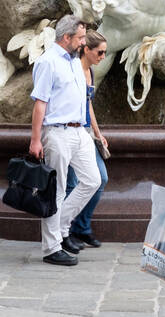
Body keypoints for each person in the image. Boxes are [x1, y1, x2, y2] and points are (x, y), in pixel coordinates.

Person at [29, 15, 101, 266]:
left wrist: (89, 131)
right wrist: (36, 139)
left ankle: (61, 226)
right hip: (56, 131)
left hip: (78, 131)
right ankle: (51, 248)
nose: (84, 42)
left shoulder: (74, 61)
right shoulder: (47, 62)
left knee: (93, 180)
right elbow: (40, 103)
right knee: (56, 190)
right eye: (80, 38)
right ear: (67, 38)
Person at [64, 30, 110, 249]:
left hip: (85, 133)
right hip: (70, 132)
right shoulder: (72, 69)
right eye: (100, 52)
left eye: (105, 53)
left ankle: (81, 227)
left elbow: (87, 104)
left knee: (100, 179)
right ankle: (64, 233)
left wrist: (98, 134)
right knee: (72, 184)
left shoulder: (89, 70)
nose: (103, 57)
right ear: (86, 49)